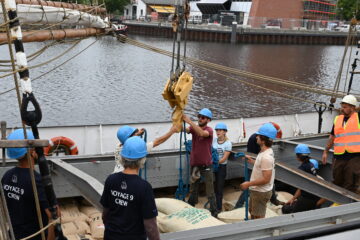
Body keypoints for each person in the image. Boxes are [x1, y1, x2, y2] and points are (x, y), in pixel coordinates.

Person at [101, 136, 160, 240]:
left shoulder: (111, 179)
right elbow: (150, 225)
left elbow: (105, 213)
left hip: (110, 236)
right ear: (143, 160)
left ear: (122, 158)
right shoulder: (144, 187)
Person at [1, 129, 55, 240]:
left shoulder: (7, 176)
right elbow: (53, 216)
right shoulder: (37, 180)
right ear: (32, 151)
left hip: (14, 235)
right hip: (36, 236)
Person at [322, 95, 360, 194]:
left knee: (351, 182)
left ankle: (348, 205)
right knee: (337, 180)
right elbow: (332, 137)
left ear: (353, 107)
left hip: (354, 156)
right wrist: (325, 151)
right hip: (339, 156)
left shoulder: (358, 118)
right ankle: (337, 201)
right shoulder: (337, 119)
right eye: (342, 106)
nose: (341, 109)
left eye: (345, 107)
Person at [183, 108, 217, 216]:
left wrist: (189, 121)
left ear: (208, 120)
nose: (200, 119)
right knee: (193, 189)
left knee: (210, 191)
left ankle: (214, 212)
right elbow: (186, 130)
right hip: (195, 165)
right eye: (199, 117)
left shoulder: (209, 130)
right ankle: (191, 208)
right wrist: (179, 122)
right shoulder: (194, 128)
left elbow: (202, 133)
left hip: (207, 166)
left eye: (203, 117)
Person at [240, 123, 277, 219]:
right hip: (257, 190)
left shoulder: (266, 157)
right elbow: (262, 166)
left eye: (258, 136)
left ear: (263, 140)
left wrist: (248, 184)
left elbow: (266, 179)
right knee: (252, 212)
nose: (256, 137)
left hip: (261, 192)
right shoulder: (264, 152)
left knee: (258, 218)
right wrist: (252, 161)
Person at [113, 125, 178, 173]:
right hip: (126, 177)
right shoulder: (136, 149)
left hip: (116, 174)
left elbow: (127, 137)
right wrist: (171, 132)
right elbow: (158, 141)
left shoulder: (118, 145)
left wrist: (137, 133)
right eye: (134, 133)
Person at [282, 144, 321, 214]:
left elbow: (300, 186)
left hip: (307, 198)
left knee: (285, 209)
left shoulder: (302, 168)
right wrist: (293, 199)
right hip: (313, 197)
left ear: (298, 156)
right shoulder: (310, 164)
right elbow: (302, 187)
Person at [212, 122, 232, 212]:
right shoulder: (214, 141)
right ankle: (213, 204)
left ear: (225, 132)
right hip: (213, 166)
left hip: (221, 168)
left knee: (219, 189)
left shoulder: (228, 143)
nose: (218, 132)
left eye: (220, 130)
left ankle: (219, 208)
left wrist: (214, 162)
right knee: (212, 187)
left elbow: (224, 158)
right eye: (216, 130)